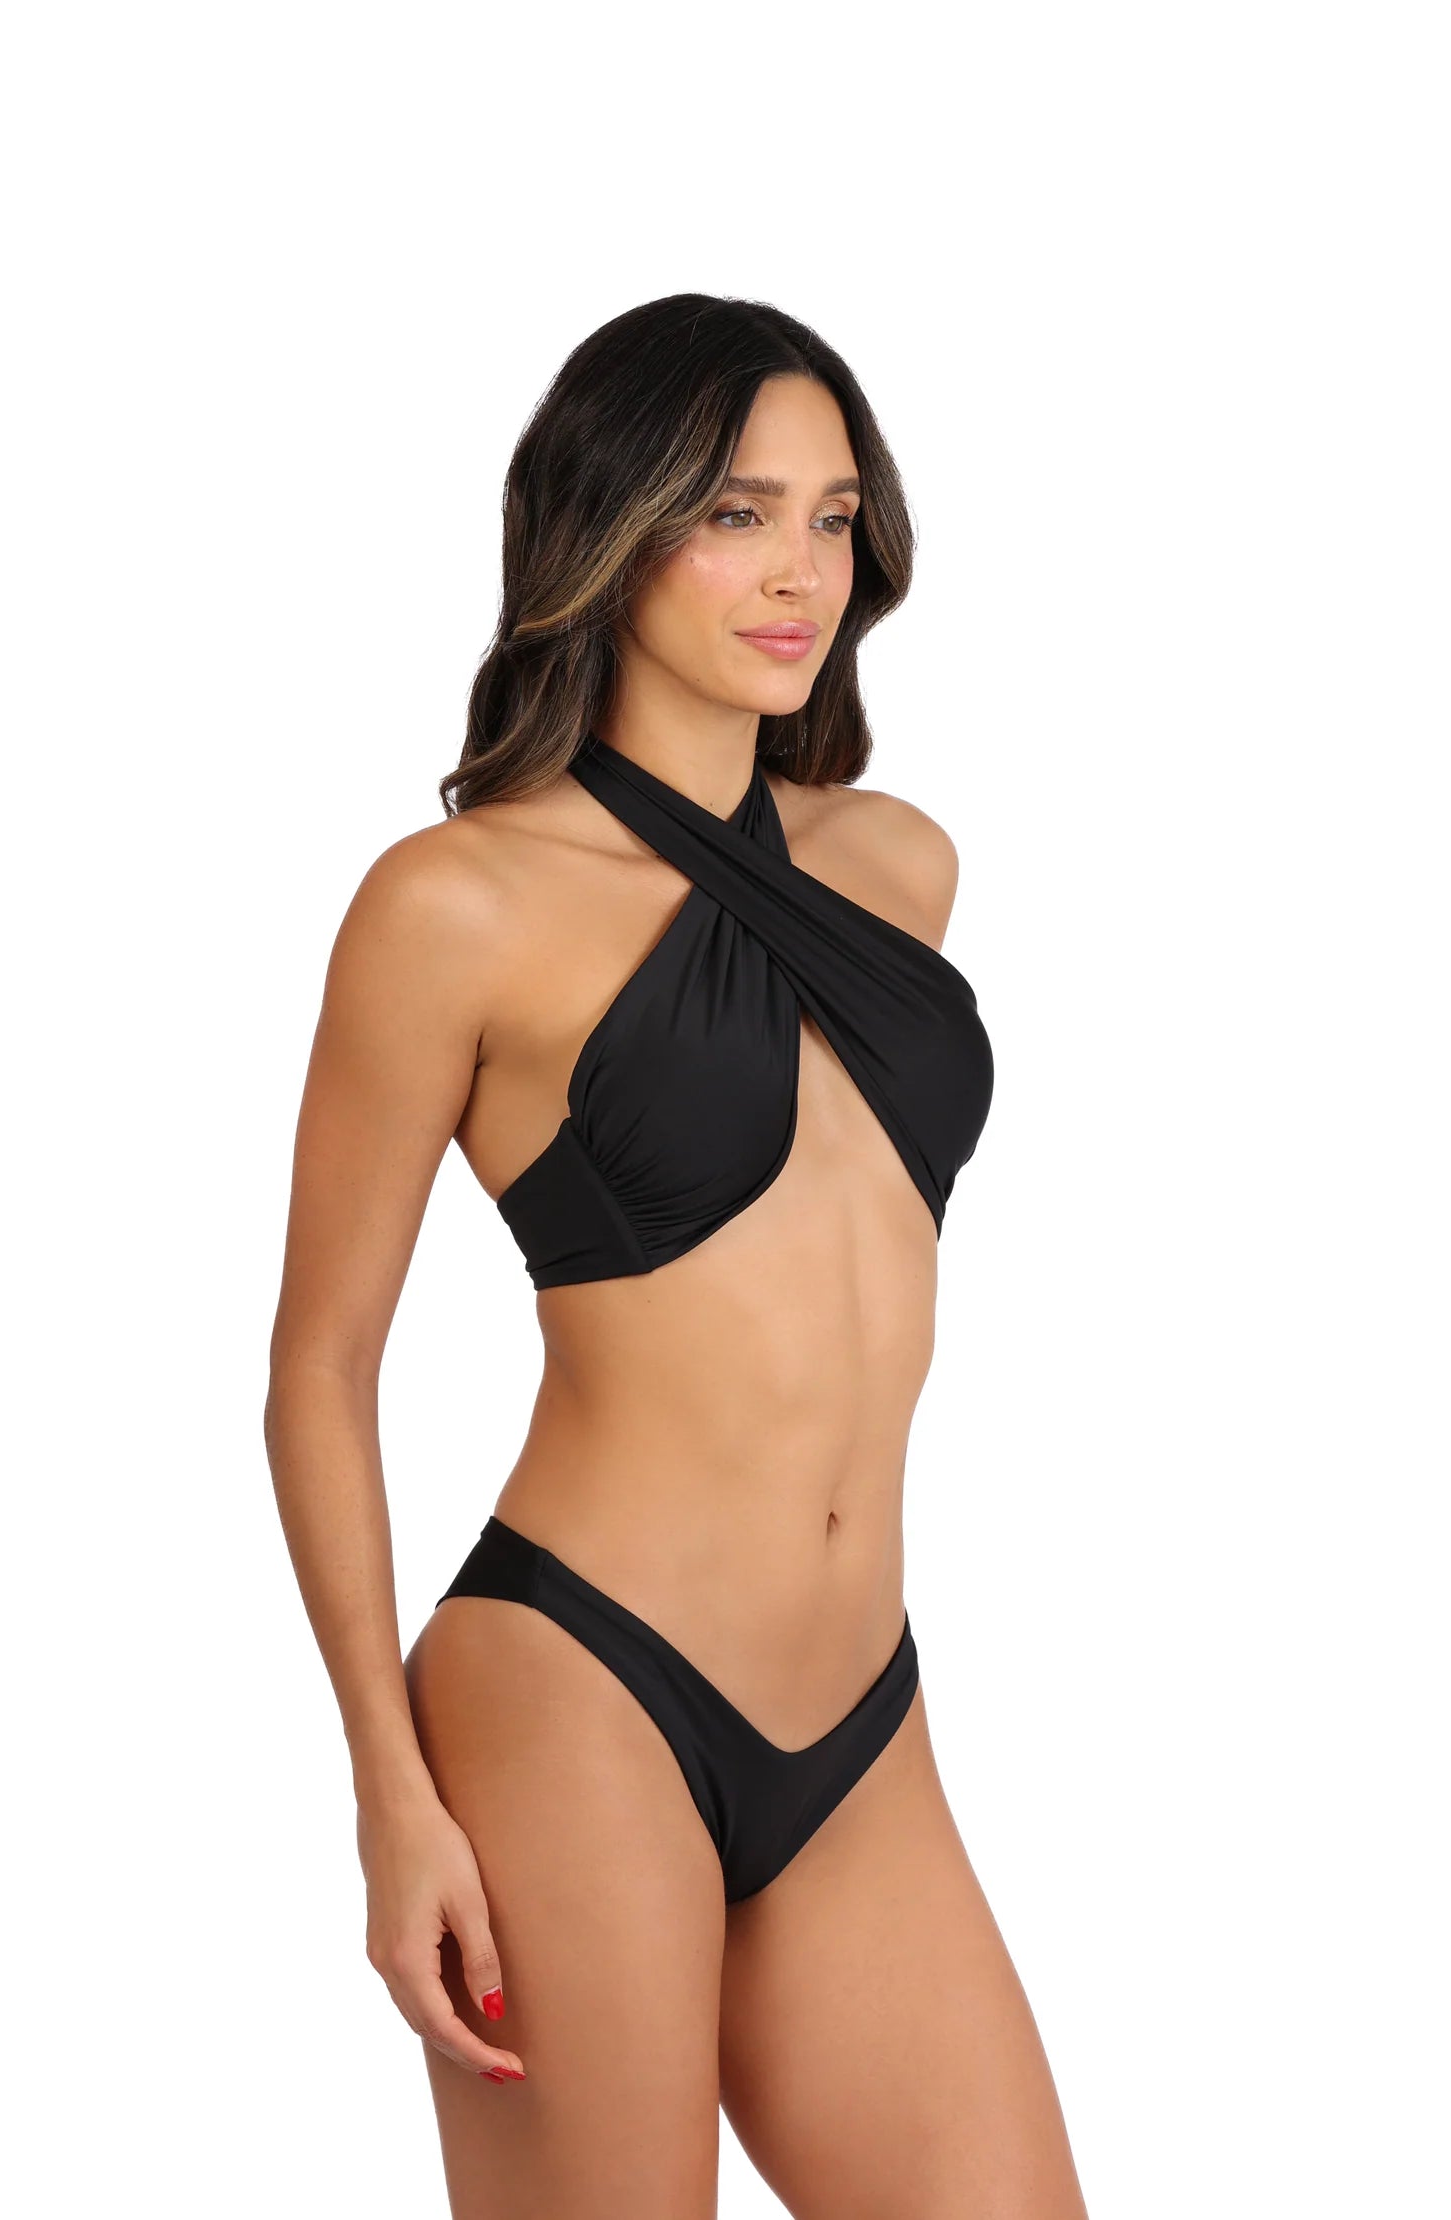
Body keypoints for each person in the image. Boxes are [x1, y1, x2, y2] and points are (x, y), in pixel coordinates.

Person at [265, 292, 1089, 2218]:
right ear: (611, 524)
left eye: (831, 516)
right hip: (580, 1687)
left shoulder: (895, 864)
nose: (801, 571)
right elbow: (318, 1369)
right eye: (736, 514)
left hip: (861, 1715)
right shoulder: (457, 904)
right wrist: (389, 1794)